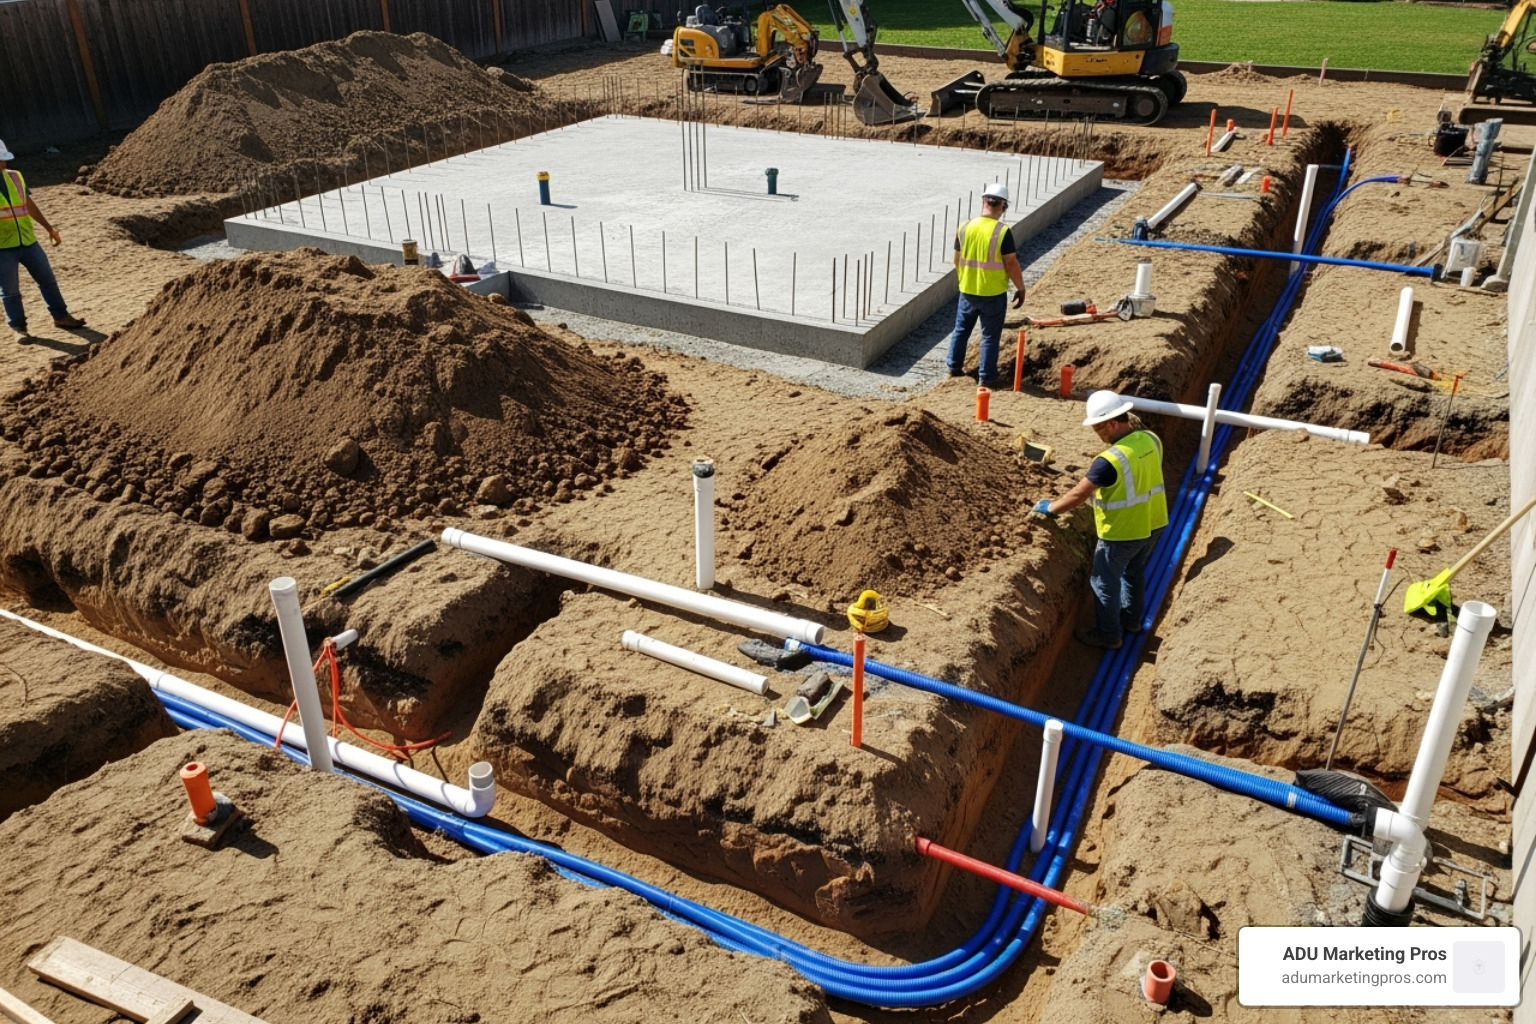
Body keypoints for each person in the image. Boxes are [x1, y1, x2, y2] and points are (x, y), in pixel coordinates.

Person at [1032, 390, 1168, 649]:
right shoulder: (1151, 439)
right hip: (1155, 521)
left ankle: (1109, 636)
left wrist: (1051, 508)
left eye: (1098, 429)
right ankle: (1131, 622)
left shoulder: (1108, 461)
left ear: (1112, 423)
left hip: (1122, 532)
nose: (1098, 435)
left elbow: (1078, 494)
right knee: (1134, 572)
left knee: (1104, 581)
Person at [0, 139, 85, 344]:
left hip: (28, 242)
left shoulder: (16, 177)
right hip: (3, 248)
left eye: (3, 159)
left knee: (47, 280)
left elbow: (29, 205)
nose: (3, 164)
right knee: (10, 291)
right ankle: (19, 328)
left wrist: (49, 228)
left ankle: (61, 317)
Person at [948, 182, 1026, 389]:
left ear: (984, 201)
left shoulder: (964, 227)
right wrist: (1021, 288)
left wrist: (965, 279)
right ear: (1003, 206)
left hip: (967, 291)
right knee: (990, 336)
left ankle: (954, 368)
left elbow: (956, 259)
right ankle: (986, 377)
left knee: (961, 330)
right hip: (993, 293)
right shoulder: (1002, 231)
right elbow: (1011, 262)